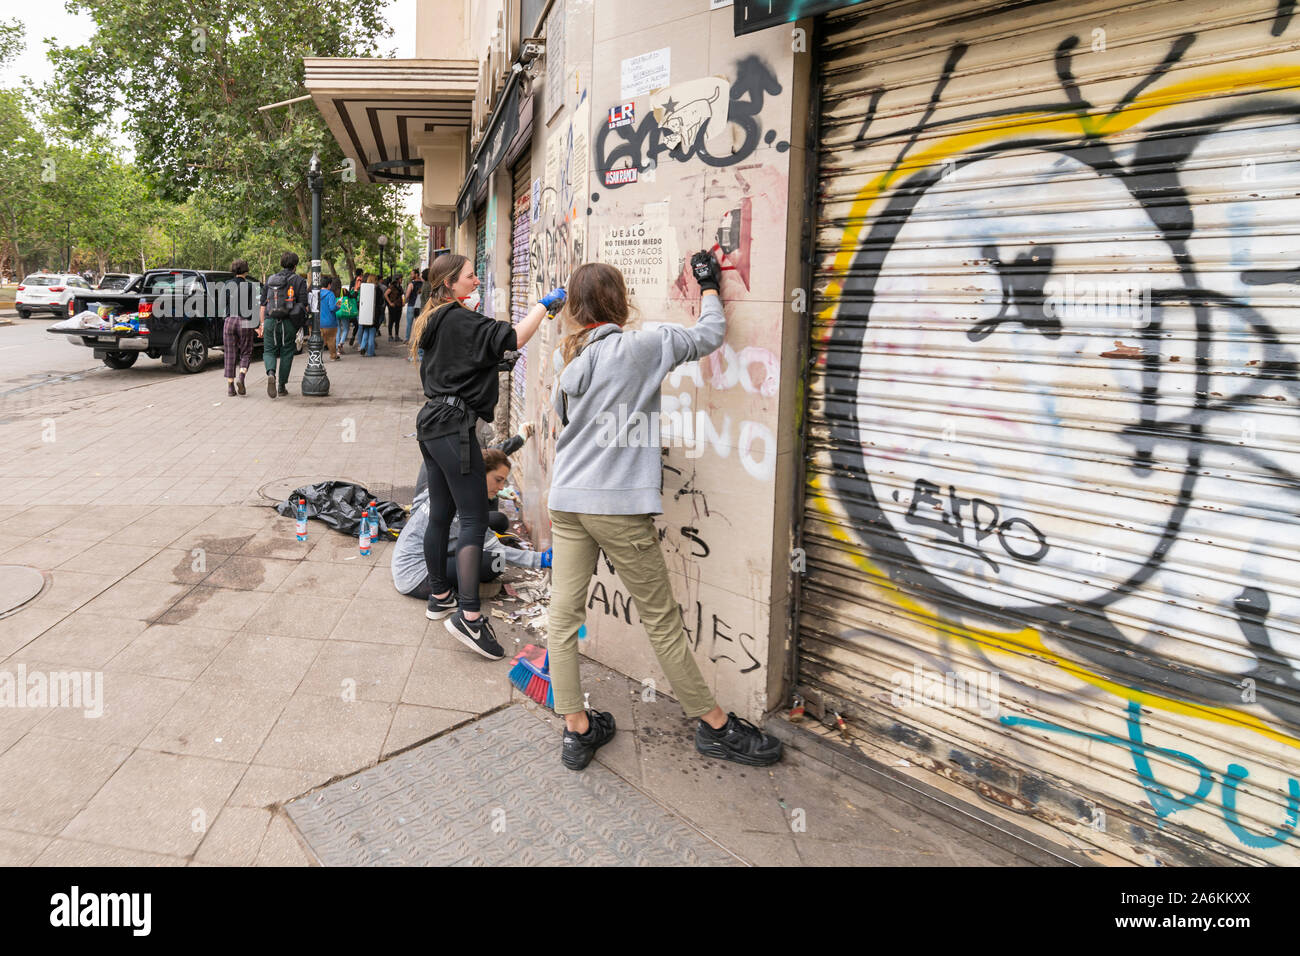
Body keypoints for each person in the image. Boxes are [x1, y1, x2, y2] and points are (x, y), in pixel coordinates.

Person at [545, 255, 783, 772]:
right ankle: (715, 726)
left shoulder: (570, 363)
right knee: (662, 621)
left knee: (562, 621)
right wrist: (709, 285)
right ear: (618, 300)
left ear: (577, 308)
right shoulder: (642, 345)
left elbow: (564, 428)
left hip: (566, 503)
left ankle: (576, 730)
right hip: (615, 508)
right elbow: (709, 334)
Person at [408, 253, 553, 659]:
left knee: (441, 512)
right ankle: (469, 618)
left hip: (433, 423)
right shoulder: (456, 317)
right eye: (470, 276)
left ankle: (440, 598)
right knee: (472, 517)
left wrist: (495, 365)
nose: (476, 281)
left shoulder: (436, 318)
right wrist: (543, 304)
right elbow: (514, 337)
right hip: (453, 426)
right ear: (450, 283)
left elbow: (459, 365)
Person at [392, 442, 548, 599]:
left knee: (499, 521)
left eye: (503, 482)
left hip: (402, 559)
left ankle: (459, 547)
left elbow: (416, 506)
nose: (501, 487)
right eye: (498, 480)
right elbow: (499, 551)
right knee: (496, 562)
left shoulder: (448, 482)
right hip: (417, 577)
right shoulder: (466, 507)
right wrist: (540, 559)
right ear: (480, 472)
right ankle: (466, 590)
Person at [257, 251, 308, 398]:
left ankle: (271, 373)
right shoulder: (299, 281)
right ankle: (281, 386)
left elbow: (262, 304)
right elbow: (304, 305)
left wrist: (262, 323)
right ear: (295, 265)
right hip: (289, 323)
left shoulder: (271, 280)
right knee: (287, 352)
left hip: (270, 320)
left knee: (269, 351)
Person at [221, 259, 259, 396]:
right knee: (246, 351)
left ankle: (230, 387)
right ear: (246, 271)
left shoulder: (226, 284)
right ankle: (241, 377)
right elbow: (253, 308)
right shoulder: (250, 287)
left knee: (230, 353)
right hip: (244, 321)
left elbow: (223, 304)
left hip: (230, 320)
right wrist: (257, 325)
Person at [319, 276, 339, 360]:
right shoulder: (330, 294)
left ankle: (318, 357)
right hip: (330, 322)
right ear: (329, 284)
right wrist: (338, 306)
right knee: (331, 340)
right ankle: (333, 356)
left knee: (320, 341)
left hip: (320, 322)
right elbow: (332, 308)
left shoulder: (317, 293)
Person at [357, 274, 378, 357]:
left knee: (365, 331)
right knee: (372, 334)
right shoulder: (377, 289)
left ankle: (362, 346)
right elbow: (380, 303)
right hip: (373, 314)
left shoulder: (363, 288)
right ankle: (370, 352)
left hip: (364, 313)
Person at [385, 273, 404, 341]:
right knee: (391, 321)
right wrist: (390, 303)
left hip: (399, 306)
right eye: (401, 278)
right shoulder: (392, 286)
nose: (402, 280)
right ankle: (390, 336)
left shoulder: (400, 287)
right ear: (397, 279)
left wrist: (403, 302)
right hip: (393, 306)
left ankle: (396, 336)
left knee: (397, 321)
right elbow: (386, 294)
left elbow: (401, 295)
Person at [404, 268, 421, 342]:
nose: (411, 275)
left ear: (416, 275)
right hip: (420, 306)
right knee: (418, 324)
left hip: (411, 305)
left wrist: (404, 301)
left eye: (412, 274)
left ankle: (407, 339)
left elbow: (407, 295)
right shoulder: (423, 283)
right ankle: (418, 339)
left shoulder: (411, 284)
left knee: (409, 324)